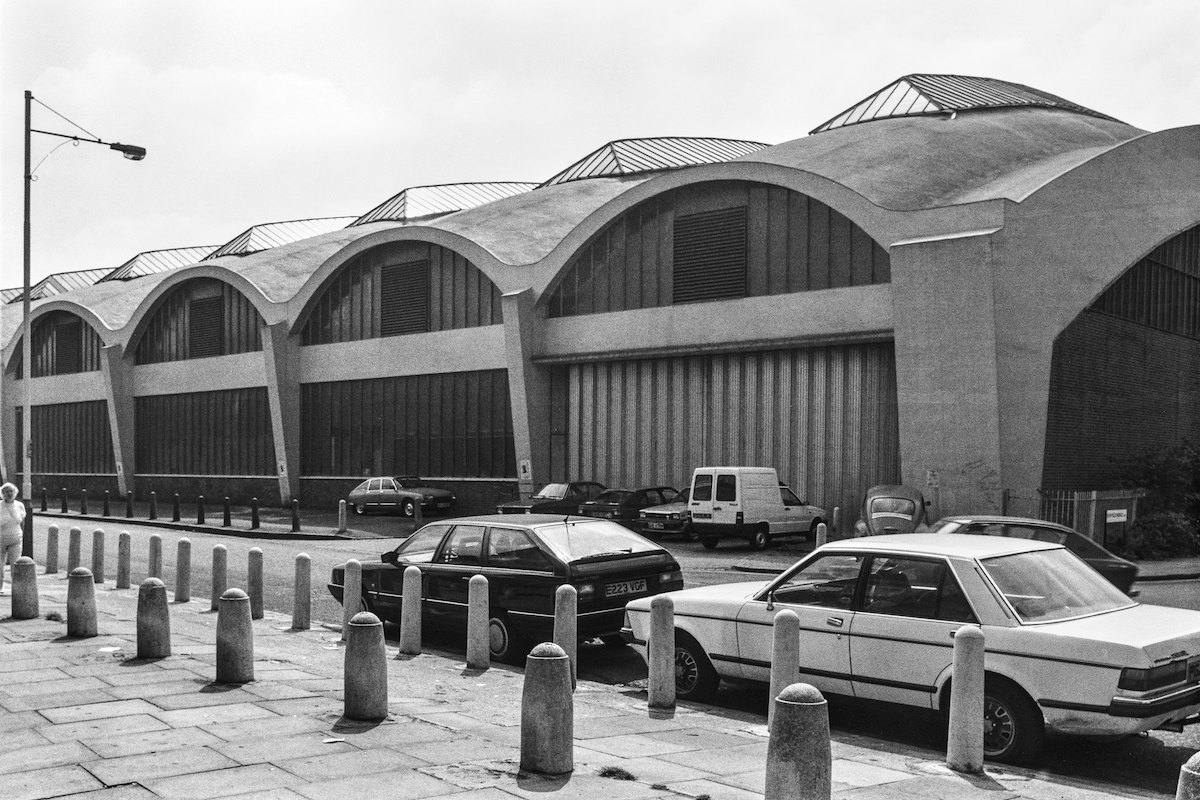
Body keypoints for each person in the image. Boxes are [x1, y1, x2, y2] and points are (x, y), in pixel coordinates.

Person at [0, 482, 27, 594]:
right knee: (0, 565)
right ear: (3, 494)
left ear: (15, 492)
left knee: (15, 564)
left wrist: (22, 535)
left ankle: (16, 589)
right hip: (1, 539)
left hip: (16, 539)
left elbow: (22, 522)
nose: (9, 494)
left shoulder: (19, 505)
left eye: (11, 491)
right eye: (6, 492)